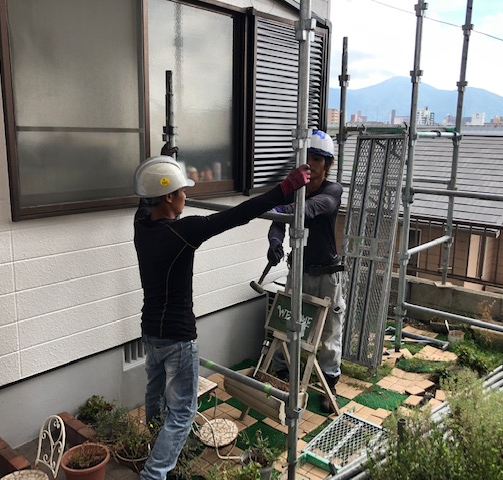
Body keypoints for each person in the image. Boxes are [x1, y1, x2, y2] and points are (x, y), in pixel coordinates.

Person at [133, 154, 310, 480]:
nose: (186, 195)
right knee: (183, 413)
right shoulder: (183, 231)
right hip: (178, 338)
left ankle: (159, 453)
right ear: (169, 196)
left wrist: (164, 161)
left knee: (155, 398)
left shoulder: (141, 225)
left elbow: (146, 198)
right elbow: (237, 215)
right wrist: (284, 188)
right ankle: (154, 474)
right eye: (182, 190)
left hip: (151, 333)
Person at [267, 129, 346, 413]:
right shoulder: (293, 190)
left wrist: (279, 207)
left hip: (328, 273)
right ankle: (281, 372)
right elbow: (277, 222)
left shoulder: (332, 191)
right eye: (307, 157)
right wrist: (275, 242)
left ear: (328, 164)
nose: (311, 164)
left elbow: (311, 208)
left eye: (317, 159)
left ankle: (329, 382)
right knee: (287, 322)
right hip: (298, 269)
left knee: (329, 330)